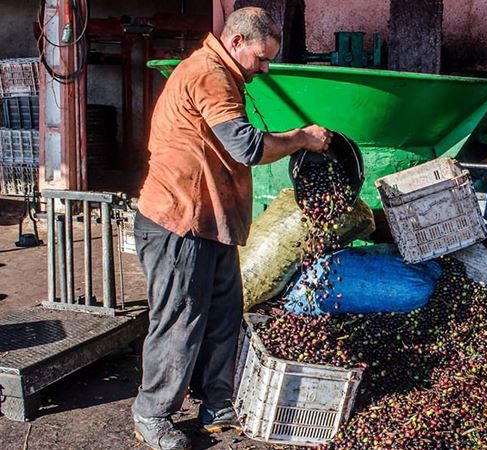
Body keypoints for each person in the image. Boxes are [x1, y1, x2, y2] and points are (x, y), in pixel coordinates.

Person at [131, 7, 332, 450]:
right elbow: (244, 146)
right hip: (178, 222)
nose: (265, 68)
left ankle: (215, 402)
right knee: (180, 319)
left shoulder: (228, 75)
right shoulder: (210, 74)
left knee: (223, 313)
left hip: (213, 221)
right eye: (261, 58)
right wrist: (299, 138)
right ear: (236, 41)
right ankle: (152, 412)